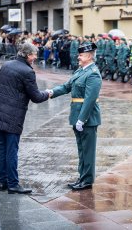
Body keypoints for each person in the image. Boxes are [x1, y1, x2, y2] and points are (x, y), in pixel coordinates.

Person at [0, 43, 50, 194]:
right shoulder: (27, 71)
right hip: (13, 116)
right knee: (12, 150)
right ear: (28, 55)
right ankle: (13, 184)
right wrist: (49, 93)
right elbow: (36, 96)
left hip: (0, 112)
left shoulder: (6, 65)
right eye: (34, 55)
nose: (35, 57)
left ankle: (2, 182)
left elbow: (0, 85)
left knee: (3, 149)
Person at [47, 42, 102, 191]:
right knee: (81, 149)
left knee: (88, 150)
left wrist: (81, 119)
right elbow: (66, 87)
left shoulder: (93, 73)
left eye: (81, 55)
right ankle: (82, 177)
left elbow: (90, 99)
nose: (78, 57)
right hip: (77, 115)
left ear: (89, 56)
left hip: (87, 118)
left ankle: (87, 180)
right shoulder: (80, 71)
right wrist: (51, 92)